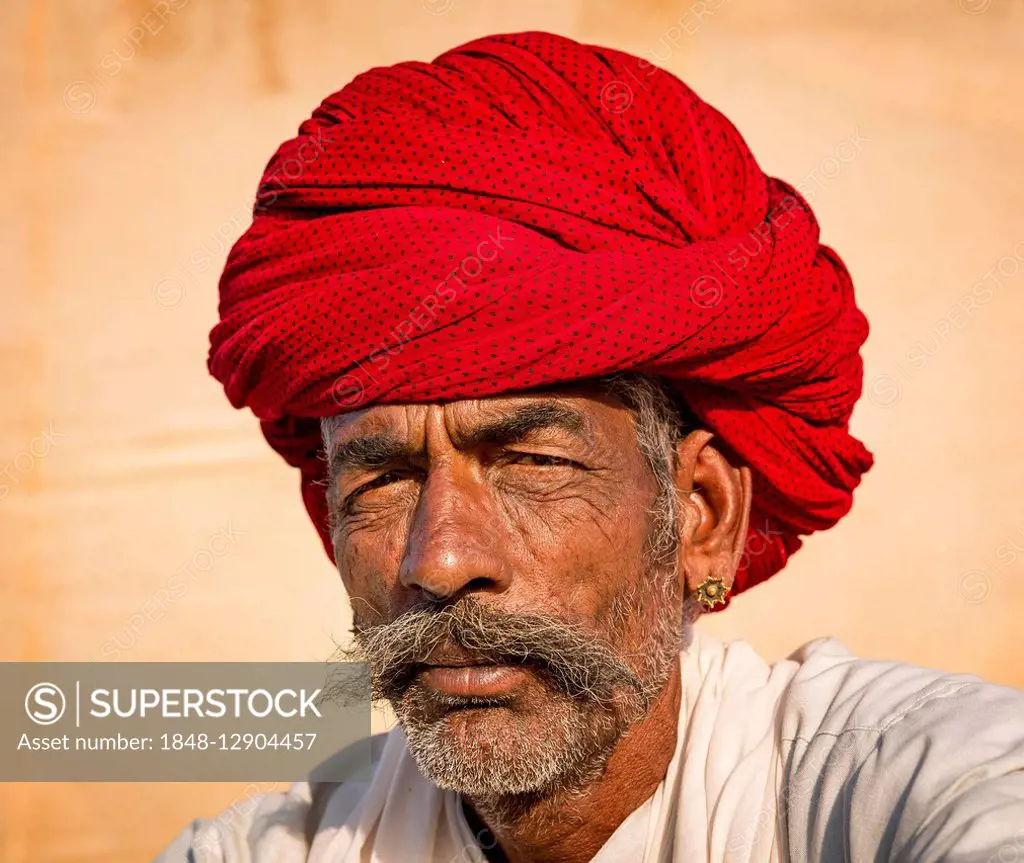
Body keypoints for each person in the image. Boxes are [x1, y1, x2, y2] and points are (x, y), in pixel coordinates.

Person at [156, 31, 1024, 863]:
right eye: (383, 478)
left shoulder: (917, 781)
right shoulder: (259, 849)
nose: (443, 560)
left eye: (532, 464)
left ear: (703, 516)